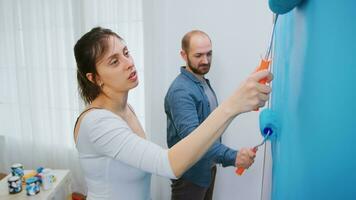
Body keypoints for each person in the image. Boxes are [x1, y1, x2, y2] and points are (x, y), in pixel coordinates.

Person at [73, 27, 272, 200]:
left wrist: (234, 109)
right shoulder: (97, 123)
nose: (129, 63)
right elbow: (168, 164)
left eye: (126, 52)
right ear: (94, 78)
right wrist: (233, 106)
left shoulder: (126, 109)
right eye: (114, 61)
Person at [164, 30, 258, 200]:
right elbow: (195, 140)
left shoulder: (202, 83)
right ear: (183, 55)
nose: (205, 61)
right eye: (198, 55)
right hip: (190, 177)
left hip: (206, 169)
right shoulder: (181, 91)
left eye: (209, 54)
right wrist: (233, 156)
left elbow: (212, 128)